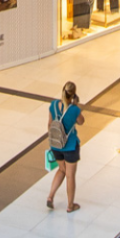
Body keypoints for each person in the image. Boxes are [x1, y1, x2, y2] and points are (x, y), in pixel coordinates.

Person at [44, 81, 84, 212]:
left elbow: (49, 125)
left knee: (62, 169)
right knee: (70, 175)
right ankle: (70, 205)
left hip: (56, 146)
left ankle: (50, 196)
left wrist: (52, 141)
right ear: (73, 94)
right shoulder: (74, 110)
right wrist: (76, 105)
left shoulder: (54, 105)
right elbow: (81, 121)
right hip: (70, 146)